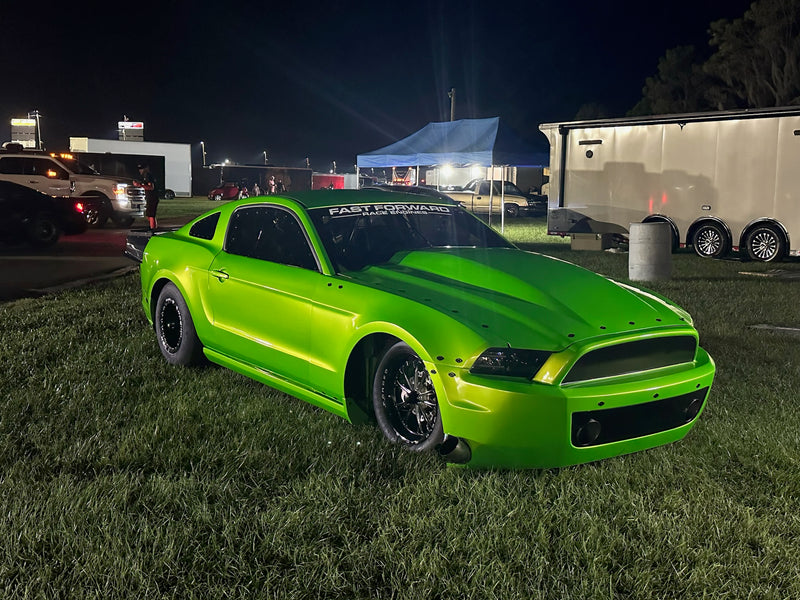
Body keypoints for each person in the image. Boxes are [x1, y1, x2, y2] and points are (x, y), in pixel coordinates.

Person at [135, 163, 158, 230]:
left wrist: (140, 185)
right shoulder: (146, 176)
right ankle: (153, 227)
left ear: (146, 168)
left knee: (151, 215)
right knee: (149, 215)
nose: (140, 170)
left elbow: (151, 187)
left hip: (152, 198)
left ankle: (153, 229)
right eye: (139, 169)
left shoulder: (148, 176)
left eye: (142, 169)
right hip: (150, 197)